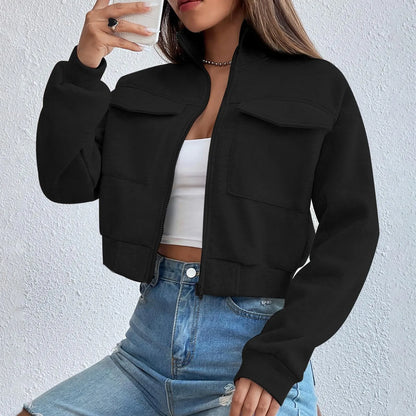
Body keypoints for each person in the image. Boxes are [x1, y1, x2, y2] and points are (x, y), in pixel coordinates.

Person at [20, 0, 379, 415]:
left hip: (250, 356)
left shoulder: (317, 85)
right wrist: (84, 65)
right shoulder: (144, 89)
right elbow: (66, 181)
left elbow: (352, 231)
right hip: (144, 354)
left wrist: (279, 358)